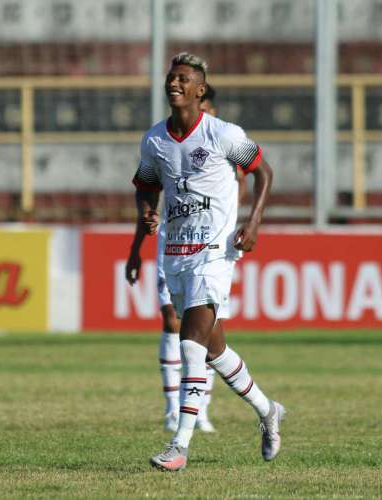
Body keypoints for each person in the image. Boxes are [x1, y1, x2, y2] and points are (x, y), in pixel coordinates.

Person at [128, 52, 284, 472]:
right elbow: (145, 185)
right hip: (176, 254)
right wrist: (146, 213)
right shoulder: (154, 140)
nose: (174, 83)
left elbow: (264, 172)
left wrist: (253, 223)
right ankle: (268, 409)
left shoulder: (224, 134)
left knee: (190, 344)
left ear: (200, 90)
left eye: (183, 79)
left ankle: (179, 445)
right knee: (215, 349)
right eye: (171, 77)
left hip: (215, 253)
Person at [126, 84, 247, 435]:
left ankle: (201, 410)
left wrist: (240, 224)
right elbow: (148, 194)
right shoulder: (163, 142)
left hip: (213, 248)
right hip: (173, 242)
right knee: (171, 320)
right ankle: (171, 410)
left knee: (205, 331)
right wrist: (136, 247)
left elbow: (248, 179)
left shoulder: (223, 142)